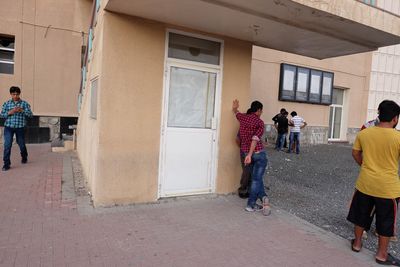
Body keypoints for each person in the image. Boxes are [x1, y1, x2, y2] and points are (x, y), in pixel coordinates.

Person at [347, 100, 400, 266]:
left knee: (361, 215)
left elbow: (355, 153)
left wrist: (366, 165)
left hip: (365, 183)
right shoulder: (398, 137)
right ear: (395, 118)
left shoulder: (365, 133)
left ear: (379, 115)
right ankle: (382, 255)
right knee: (385, 221)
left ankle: (356, 244)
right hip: (388, 187)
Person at [232, 99, 271, 216]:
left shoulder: (242, 117)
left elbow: (236, 112)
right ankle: (252, 204)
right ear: (258, 110)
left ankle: (262, 198)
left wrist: (235, 107)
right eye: (261, 111)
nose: (261, 113)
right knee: (256, 179)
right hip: (257, 153)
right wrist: (250, 154)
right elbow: (255, 139)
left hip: (245, 152)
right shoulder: (259, 122)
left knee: (255, 178)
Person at [1, 86, 33, 171]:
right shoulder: (7, 103)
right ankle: (6, 164)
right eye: (13, 94)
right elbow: (2, 115)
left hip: (20, 127)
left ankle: (24, 156)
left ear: (19, 94)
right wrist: (9, 112)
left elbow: (30, 115)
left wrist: (22, 110)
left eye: (17, 94)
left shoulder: (24, 104)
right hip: (8, 127)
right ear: (11, 94)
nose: (15, 96)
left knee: (21, 144)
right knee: (7, 145)